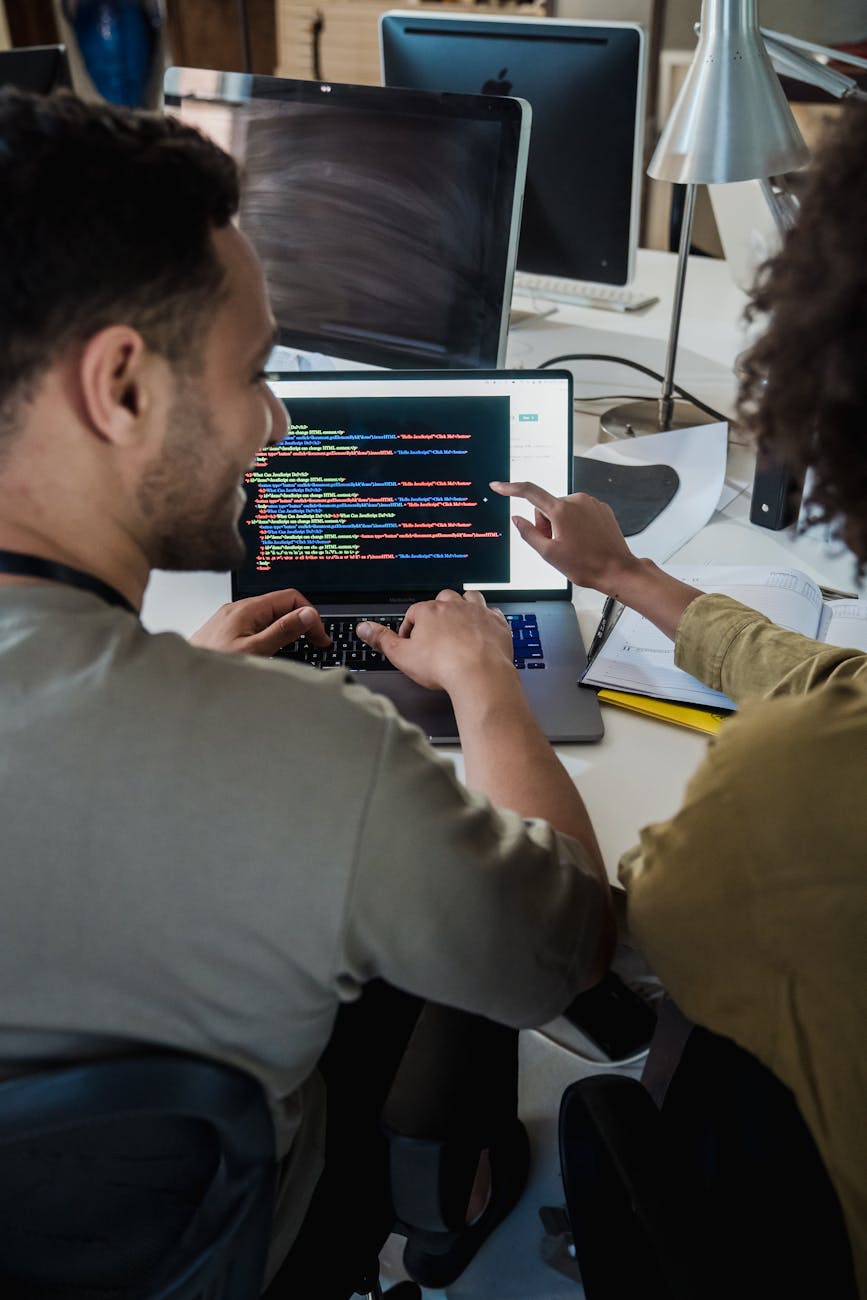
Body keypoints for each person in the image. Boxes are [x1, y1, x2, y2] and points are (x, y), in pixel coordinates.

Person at [0, 88, 614, 1294]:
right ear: (121, 387)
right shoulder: (324, 760)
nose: (277, 424)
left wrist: (164, 700)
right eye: (257, 371)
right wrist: (487, 688)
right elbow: (575, 949)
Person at [492, 99, 867, 1296]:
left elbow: (588, 936)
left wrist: (485, 690)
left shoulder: (797, 785)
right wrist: (626, 577)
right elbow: (834, 679)